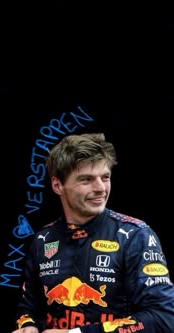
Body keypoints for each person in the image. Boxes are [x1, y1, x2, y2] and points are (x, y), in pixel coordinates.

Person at [12, 133, 174, 333]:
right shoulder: (43, 239)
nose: (100, 188)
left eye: (105, 177)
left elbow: (163, 319)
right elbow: (28, 308)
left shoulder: (136, 236)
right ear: (57, 185)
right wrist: (28, 326)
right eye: (86, 179)